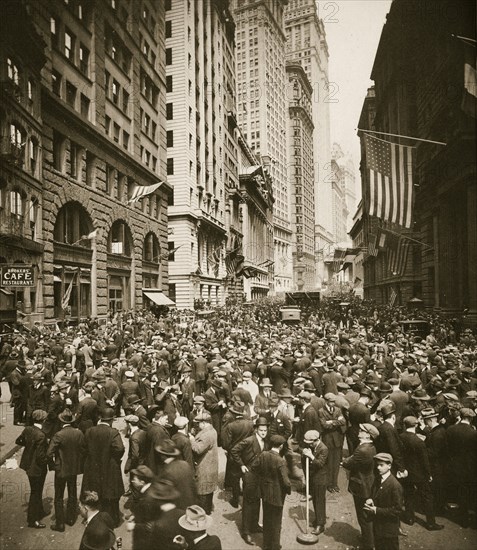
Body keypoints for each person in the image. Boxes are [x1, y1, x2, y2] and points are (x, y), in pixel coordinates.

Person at [81, 408, 125, 526]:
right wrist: (113, 458)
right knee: (110, 494)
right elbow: (119, 448)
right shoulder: (113, 432)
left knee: (94, 492)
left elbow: (83, 448)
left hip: (93, 467)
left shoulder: (89, 431)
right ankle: (113, 521)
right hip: (109, 467)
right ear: (111, 420)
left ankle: (94, 518)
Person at [399, 416, 443, 531]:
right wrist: (428, 475)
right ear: (416, 425)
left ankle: (409, 518)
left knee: (408, 494)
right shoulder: (418, 442)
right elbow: (425, 461)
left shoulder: (400, 437)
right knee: (427, 496)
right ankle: (430, 523)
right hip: (419, 474)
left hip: (407, 472)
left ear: (405, 425)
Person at [231, 417, 269, 545]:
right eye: (261, 430)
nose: (263, 432)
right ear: (256, 429)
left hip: (261, 475)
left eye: (265, 430)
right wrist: (241, 464)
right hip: (249, 475)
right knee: (248, 503)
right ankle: (246, 531)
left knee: (257, 500)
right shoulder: (249, 440)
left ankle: (254, 524)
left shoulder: (266, 441)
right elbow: (234, 450)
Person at [47, 408, 85, 531]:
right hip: (73, 468)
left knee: (58, 496)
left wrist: (53, 466)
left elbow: (49, 453)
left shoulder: (58, 435)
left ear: (61, 421)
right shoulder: (78, 433)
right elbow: (83, 450)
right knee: (72, 493)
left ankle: (60, 523)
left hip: (61, 469)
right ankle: (70, 518)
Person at [342, 423, 378, 550]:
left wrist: (344, 461)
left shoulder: (362, 449)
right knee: (366, 515)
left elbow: (349, 463)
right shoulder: (370, 447)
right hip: (368, 483)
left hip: (361, 485)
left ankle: (368, 544)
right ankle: (368, 539)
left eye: (362, 430)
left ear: (367, 435)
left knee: (363, 517)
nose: (359, 431)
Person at [256, 434, 291, 550]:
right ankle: (275, 546)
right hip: (277, 495)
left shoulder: (263, 455)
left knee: (267, 519)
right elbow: (286, 482)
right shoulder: (280, 461)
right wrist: (288, 490)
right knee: (276, 522)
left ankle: (266, 545)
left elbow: (254, 467)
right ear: (281, 446)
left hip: (265, 492)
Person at [15, 409, 49, 528]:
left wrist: (29, 446)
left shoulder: (28, 429)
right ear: (43, 420)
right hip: (37, 468)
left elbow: (18, 440)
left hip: (28, 464)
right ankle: (33, 519)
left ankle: (39, 511)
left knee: (36, 490)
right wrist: (48, 461)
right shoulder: (41, 435)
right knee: (36, 492)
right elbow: (40, 456)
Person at [363, 453, 404, 550]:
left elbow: (398, 510)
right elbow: (375, 493)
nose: (378, 467)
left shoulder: (395, 485)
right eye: (377, 465)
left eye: (381, 465)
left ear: (389, 466)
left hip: (389, 530)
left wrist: (376, 510)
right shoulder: (378, 479)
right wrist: (371, 499)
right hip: (379, 527)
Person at [189, 411, 218, 515]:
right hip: (210, 468)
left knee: (203, 495)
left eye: (198, 423)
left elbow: (198, 449)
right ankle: (208, 511)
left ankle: (203, 516)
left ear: (204, 423)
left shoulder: (207, 434)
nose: (197, 425)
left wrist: (192, 439)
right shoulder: (211, 430)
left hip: (205, 469)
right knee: (208, 493)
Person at [301, 430, 328, 536]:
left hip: (321, 479)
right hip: (313, 478)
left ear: (316, 440)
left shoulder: (324, 449)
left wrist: (311, 456)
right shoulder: (312, 447)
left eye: (310, 443)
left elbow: (320, 464)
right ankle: (318, 519)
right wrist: (304, 454)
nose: (309, 445)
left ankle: (321, 525)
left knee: (319, 501)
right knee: (315, 500)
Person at [318, 393, 346, 493]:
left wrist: (331, 422)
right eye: (331, 402)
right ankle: (329, 484)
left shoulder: (338, 410)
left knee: (336, 463)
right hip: (328, 440)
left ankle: (335, 483)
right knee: (329, 464)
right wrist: (335, 421)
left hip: (337, 440)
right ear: (326, 401)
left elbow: (343, 421)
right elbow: (324, 426)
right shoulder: (321, 411)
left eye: (334, 402)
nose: (333, 404)